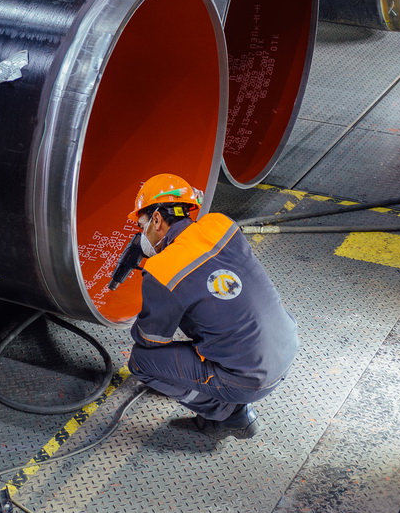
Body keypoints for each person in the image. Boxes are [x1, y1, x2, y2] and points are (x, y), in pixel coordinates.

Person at [125, 173, 299, 440]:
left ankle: (229, 414)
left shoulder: (162, 270)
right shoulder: (221, 224)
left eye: (142, 224)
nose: (142, 234)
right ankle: (221, 388)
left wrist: (151, 299)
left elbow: (151, 340)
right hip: (286, 347)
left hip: (250, 379)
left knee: (141, 361)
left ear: (157, 219)